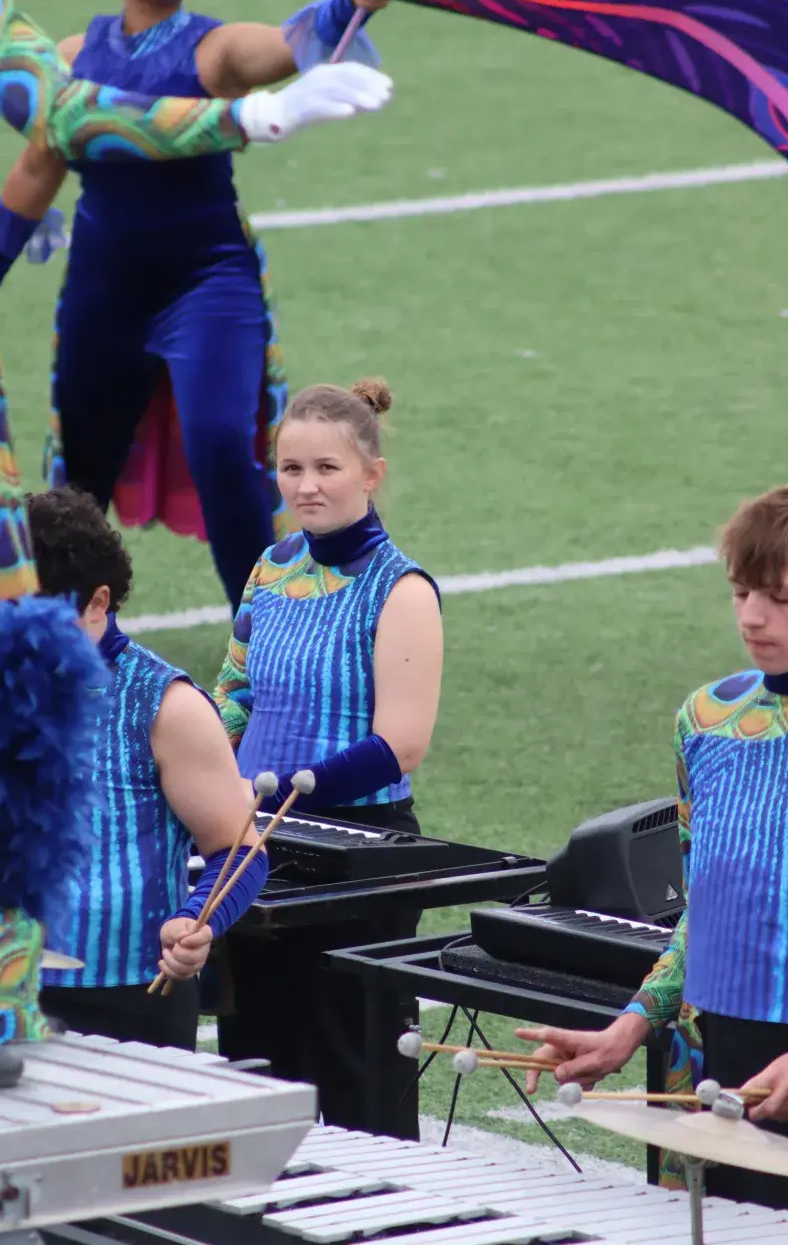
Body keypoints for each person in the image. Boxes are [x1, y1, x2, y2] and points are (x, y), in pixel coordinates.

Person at [0, 0, 391, 615]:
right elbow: (40, 163)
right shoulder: (70, 59)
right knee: (82, 475)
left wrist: (345, 5)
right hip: (103, 292)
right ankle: (64, 632)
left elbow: (283, 45)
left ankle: (266, 630)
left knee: (223, 443)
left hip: (208, 285)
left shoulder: (213, 50)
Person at [518, 484, 788, 1213]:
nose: (752, 616)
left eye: (779, 597)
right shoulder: (707, 719)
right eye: (741, 592)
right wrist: (628, 1027)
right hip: (712, 1055)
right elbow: (703, 910)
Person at [213, 377, 443, 1133]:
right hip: (258, 839)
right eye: (291, 468)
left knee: (354, 1069)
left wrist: (282, 789)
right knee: (257, 1058)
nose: (306, 485)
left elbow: (400, 745)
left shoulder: (402, 589)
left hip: (359, 853)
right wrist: (200, 770)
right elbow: (235, 696)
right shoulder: (269, 568)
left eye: (326, 468)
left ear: (371, 474)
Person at [29, 487, 271, 1050]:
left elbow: (239, 849)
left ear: (97, 603)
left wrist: (198, 920)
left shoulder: (167, 706)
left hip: (128, 996)